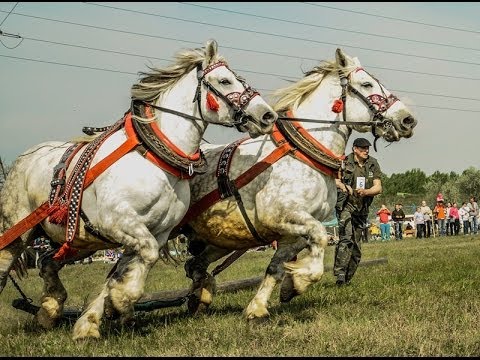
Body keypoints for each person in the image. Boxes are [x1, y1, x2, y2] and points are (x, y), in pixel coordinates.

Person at [334, 137, 382, 286]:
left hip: (362, 208)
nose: (366, 150)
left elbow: (378, 187)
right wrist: (344, 187)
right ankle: (340, 274)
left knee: (356, 248)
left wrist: (366, 192)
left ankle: (347, 279)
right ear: (355, 149)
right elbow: (335, 180)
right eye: (362, 148)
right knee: (346, 238)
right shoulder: (343, 161)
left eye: (367, 148)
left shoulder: (372, 163)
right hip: (346, 206)